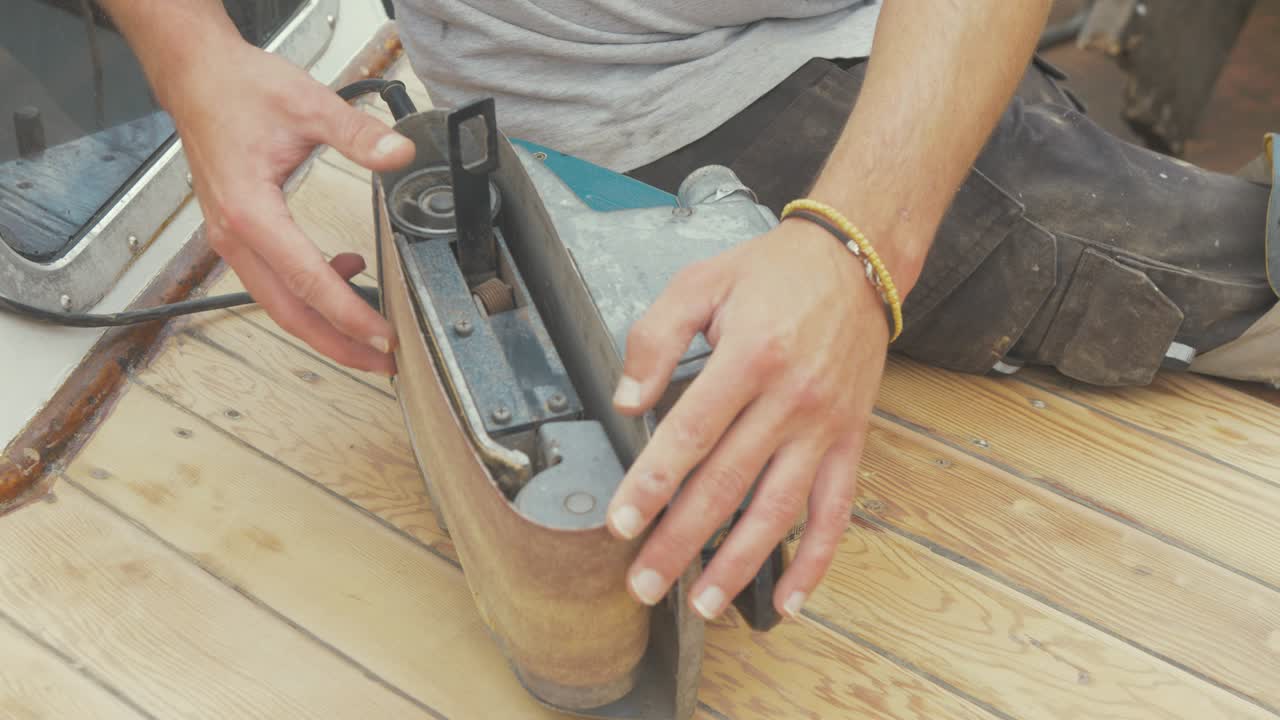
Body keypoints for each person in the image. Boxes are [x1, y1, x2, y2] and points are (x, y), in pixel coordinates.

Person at [100, 0, 1275, 624]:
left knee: (1233, 266)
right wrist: (187, 50)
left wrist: (856, 246)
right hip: (661, 91)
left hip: (843, 56)